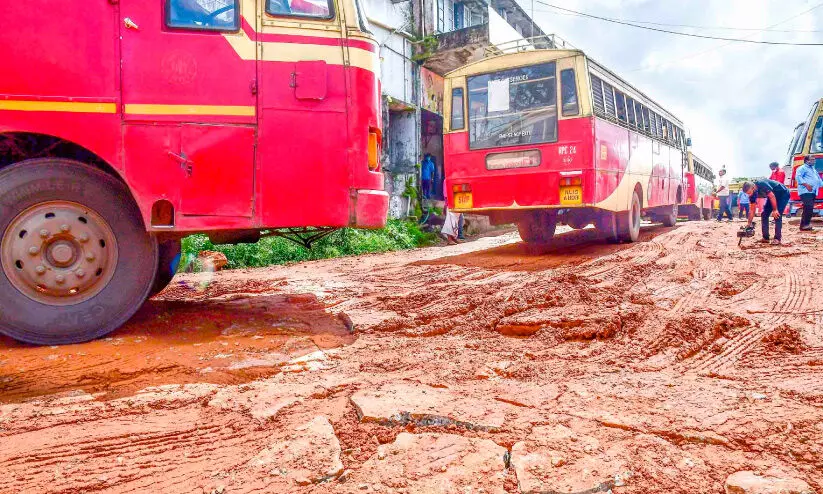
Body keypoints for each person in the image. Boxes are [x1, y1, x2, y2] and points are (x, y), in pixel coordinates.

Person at [743, 178, 791, 245]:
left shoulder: (762, 184)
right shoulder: (752, 195)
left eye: (749, 193)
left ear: (753, 188)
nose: (749, 195)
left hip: (783, 194)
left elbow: (772, 196)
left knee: (777, 215)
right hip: (772, 196)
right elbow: (752, 210)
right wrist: (749, 223)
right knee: (764, 214)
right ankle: (765, 238)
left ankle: (777, 238)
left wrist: (775, 210)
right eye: (747, 194)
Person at [795, 155, 822, 231]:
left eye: (814, 159)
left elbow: (818, 179)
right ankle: (806, 225)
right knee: (809, 207)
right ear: (807, 161)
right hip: (805, 191)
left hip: (813, 191)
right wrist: (806, 185)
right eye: (812, 159)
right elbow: (798, 177)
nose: (814, 161)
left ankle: (804, 226)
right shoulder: (802, 168)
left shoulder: (813, 169)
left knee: (808, 208)